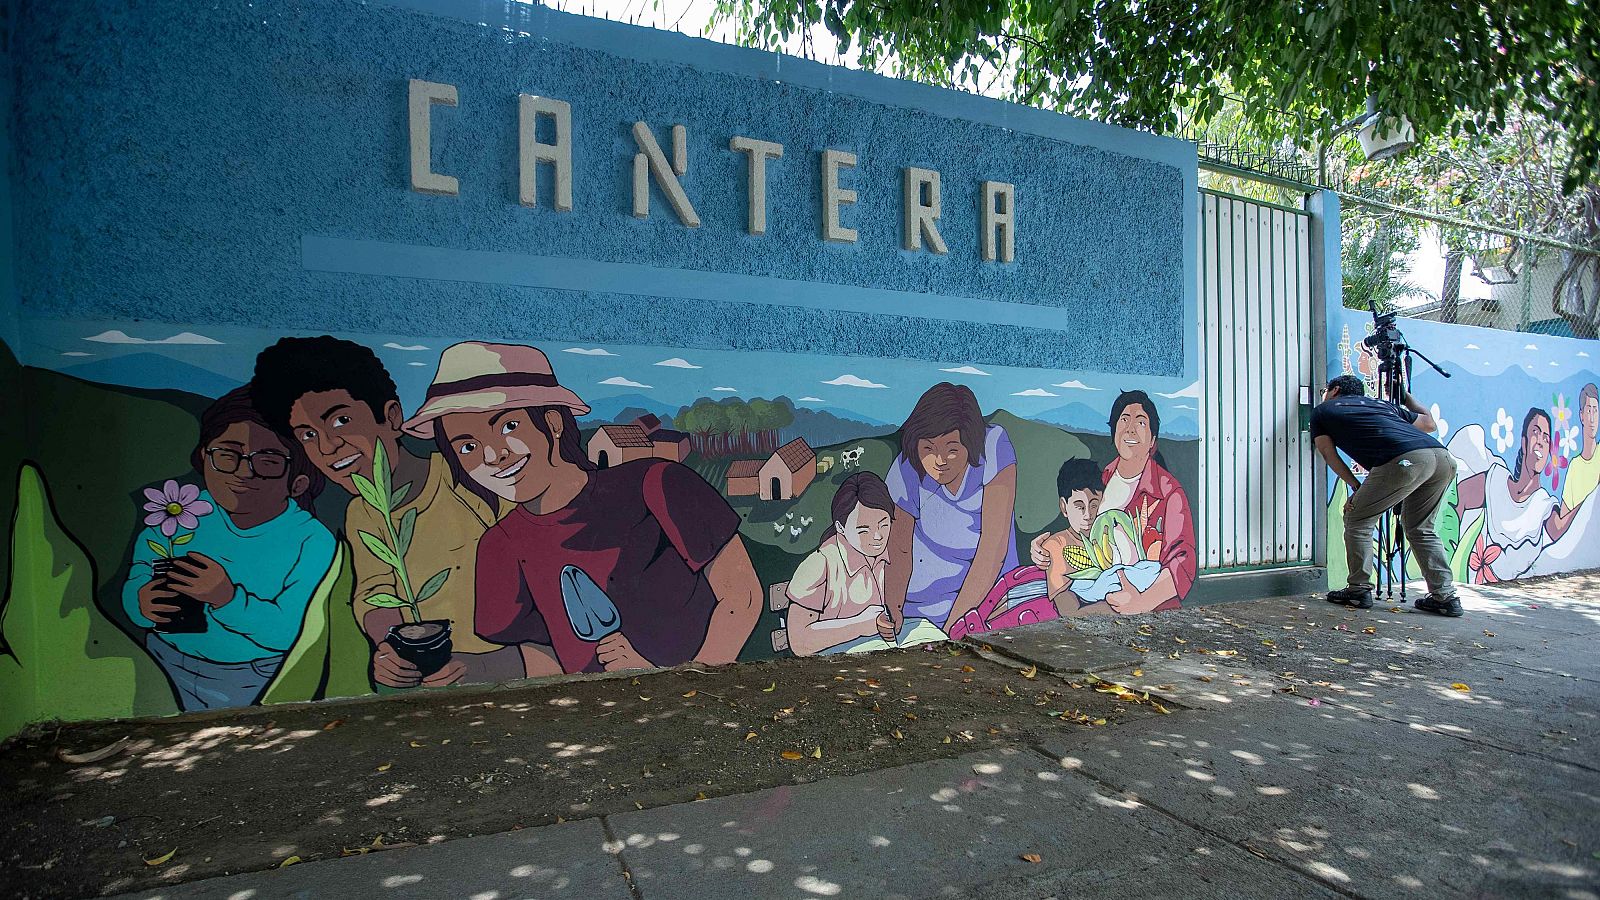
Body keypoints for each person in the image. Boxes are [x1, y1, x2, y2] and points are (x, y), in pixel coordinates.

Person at [404, 341, 762, 675]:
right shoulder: (501, 546)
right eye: (467, 447)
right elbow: (547, 656)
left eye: (509, 426)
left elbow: (741, 595)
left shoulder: (656, 484)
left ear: (553, 423)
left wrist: (686, 681)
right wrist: (457, 670)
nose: (493, 456)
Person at [252, 336, 522, 689]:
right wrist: (388, 650)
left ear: (392, 417)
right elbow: (375, 591)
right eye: (307, 435)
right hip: (437, 687)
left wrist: (491, 666)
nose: (328, 447)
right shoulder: (362, 513)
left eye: (341, 421)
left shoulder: (469, 480)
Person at [121, 386, 336, 710]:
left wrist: (227, 598)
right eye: (227, 455)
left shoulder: (310, 540)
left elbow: (295, 630)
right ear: (204, 457)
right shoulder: (180, 511)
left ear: (298, 482)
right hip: (161, 658)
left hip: (251, 677)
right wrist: (140, 601)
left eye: (268, 461)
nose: (242, 472)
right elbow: (142, 569)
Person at [1312, 374, 1459, 615]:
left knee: (1358, 520)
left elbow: (1328, 454)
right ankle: (1444, 597)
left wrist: (1355, 486)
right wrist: (1404, 394)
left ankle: (1358, 589)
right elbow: (1429, 424)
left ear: (1335, 390)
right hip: (1442, 458)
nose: (1325, 394)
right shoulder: (1382, 406)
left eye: (1326, 390)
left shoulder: (1324, 410)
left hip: (1406, 460)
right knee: (1421, 528)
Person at [884, 383, 1019, 636]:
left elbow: (993, 548)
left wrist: (954, 627)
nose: (940, 461)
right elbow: (899, 550)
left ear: (970, 442)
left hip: (987, 606)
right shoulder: (905, 467)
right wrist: (893, 609)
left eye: (952, 449)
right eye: (928, 449)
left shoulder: (993, 446)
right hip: (919, 612)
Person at [785, 473, 945, 656]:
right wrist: (863, 625)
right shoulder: (820, 564)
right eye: (864, 529)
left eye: (883, 525)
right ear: (841, 527)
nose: (877, 537)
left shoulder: (889, 557)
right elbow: (799, 642)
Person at [1082, 390, 1195, 614]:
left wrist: (1141, 603)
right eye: (1124, 420)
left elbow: (1183, 561)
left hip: (1151, 615)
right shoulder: (1100, 479)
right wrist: (1047, 550)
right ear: (1114, 431)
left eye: (1141, 422)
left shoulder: (1168, 492)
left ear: (1152, 440)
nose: (1130, 429)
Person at [1454, 407, 1580, 583]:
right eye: (1536, 432)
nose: (1541, 442)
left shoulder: (1543, 503)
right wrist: (1450, 548)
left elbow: (1558, 529)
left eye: (1546, 438)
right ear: (1524, 442)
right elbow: (1459, 496)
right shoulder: (1496, 481)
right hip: (1474, 581)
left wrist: (1591, 498)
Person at [1030, 458, 1111, 614]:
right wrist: (1110, 609)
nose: (1088, 515)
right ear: (1064, 507)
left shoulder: (1110, 538)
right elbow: (1069, 611)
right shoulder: (1057, 546)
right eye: (1079, 506)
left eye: (1094, 505)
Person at [1564, 384, 1599, 509]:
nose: (1592, 418)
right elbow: (1564, 515)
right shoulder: (1574, 467)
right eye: (1589, 410)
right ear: (1581, 416)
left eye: (1595, 410)